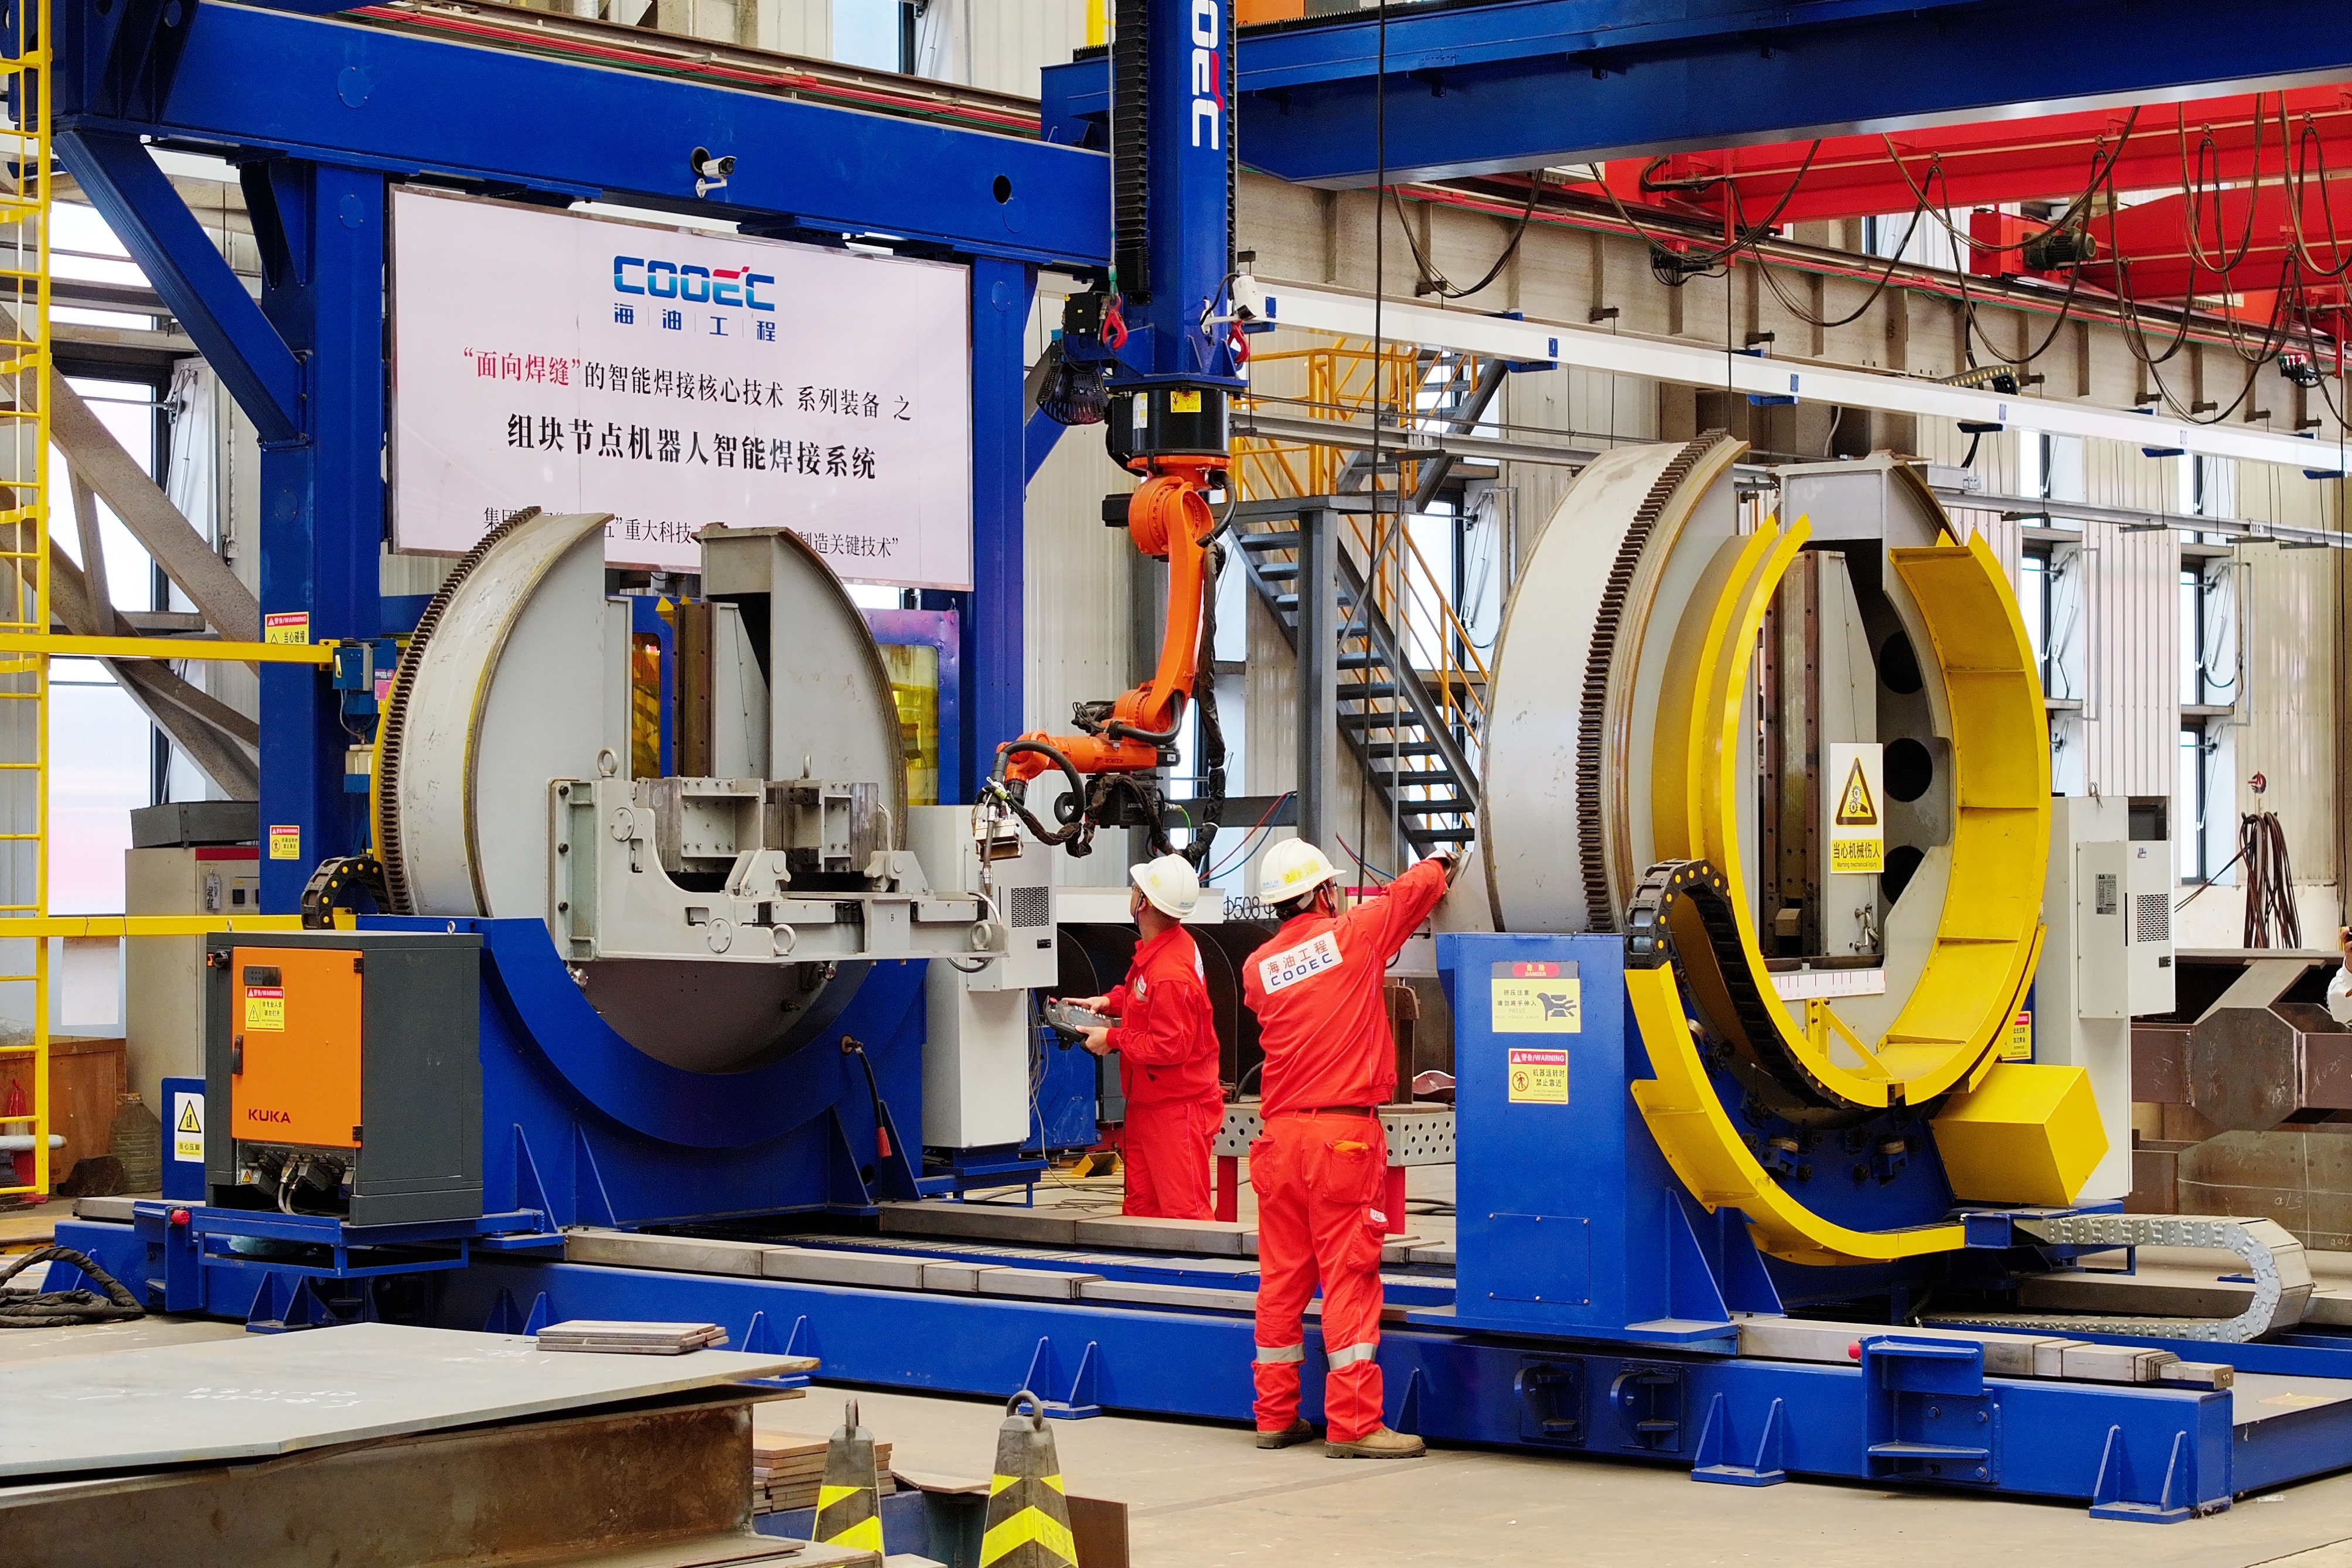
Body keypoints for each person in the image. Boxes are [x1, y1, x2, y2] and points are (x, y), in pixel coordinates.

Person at [1240, 838, 1457, 1460]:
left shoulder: (1258, 967)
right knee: (1350, 1279)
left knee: (1282, 1282)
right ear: (1323, 893)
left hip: (1280, 1140)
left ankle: (1274, 1416)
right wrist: (1441, 863)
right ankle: (1355, 1423)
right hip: (1342, 1139)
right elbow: (1411, 894)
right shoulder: (1353, 935)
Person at [1068, 855, 1226, 1220]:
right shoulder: (1168, 948)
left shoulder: (1170, 972)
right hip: (1150, 1101)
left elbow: (1170, 1046)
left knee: (1185, 1215)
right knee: (1142, 1209)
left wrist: (1113, 1039)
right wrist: (1108, 1003)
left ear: (1144, 903)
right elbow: (1144, 996)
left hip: (1176, 1109)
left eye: (1136, 888)